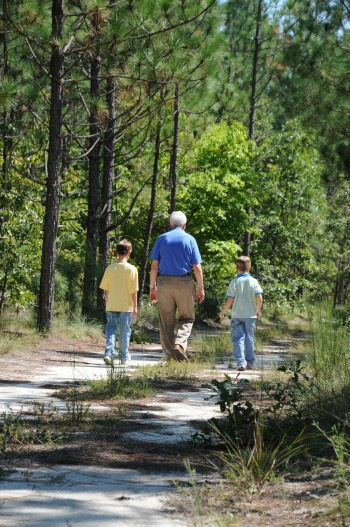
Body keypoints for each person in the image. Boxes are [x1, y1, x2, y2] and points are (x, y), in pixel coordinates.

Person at [149, 211, 205, 362]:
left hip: (164, 283)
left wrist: (152, 287)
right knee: (187, 318)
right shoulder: (190, 239)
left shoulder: (161, 239)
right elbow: (197, 267)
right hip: (184, 282)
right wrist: (200, 288)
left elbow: (154, 266)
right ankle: (180, 344)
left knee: (166, 321)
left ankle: (171, 357)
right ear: (184, 225)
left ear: (170, 224)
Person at [219, 255, 263, 371]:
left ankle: (241, 363)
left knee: (238, 339)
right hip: (250, 315)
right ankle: (250, 363)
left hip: (237, 315)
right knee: (249, 338)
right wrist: (258, 310)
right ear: (250, 268)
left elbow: (230, 300)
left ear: (236, 268)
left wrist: (223, 311)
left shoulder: (234, 282)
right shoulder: (254, 281)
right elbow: (259, 297)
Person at [99, 239, 138, 365]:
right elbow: (133, 291)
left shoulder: (110, 268)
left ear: (116, 252)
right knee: (124, 331)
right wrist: (135, 306)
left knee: (111, 329)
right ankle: (123, 356)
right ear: (129, 253)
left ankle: (109, 353)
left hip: (112, 304)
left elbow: (106, 289)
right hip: (126, 306)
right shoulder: (132, 269)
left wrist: (107, 303)